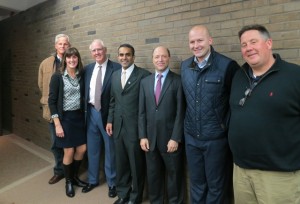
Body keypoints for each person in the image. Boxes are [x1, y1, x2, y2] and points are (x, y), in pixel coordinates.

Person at [228, 24, 300, 204]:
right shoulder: (239, 76)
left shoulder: (294, 76)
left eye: (253, 42)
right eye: (244, 45)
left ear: (268, 43)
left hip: (278, 176)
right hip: (241, 172)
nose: (248, 48)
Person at [181, 25, 239, 204]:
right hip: (192, 138)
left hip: (216, 140)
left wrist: (224, 127)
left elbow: (235, 104)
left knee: (216, 186)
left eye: (200, 40)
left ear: (210, 40)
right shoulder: (185, 66)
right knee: (197, 184)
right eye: (192, 41)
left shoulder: (227, 66)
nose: (196, 45)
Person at [139, 46, 185, 204]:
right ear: (152, 59)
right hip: (150, 140)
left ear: (169, 58)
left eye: (163, 56)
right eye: (157, 57)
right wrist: (142, 136)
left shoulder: (178, 81)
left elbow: (181, 112)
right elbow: (142, 112)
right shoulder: (145, 82)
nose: (160, 59)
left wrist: (176, 138)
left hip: (170, 141)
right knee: (153, 177)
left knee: (174, 177)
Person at [106, 44, 150, 204]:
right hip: (118, 127)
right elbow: (112, 101)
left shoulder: (144, 76)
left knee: (136, 165)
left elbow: (147, 106)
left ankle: (135, 197)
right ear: (118, 56)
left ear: (133, 57)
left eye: (127, 55)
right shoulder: (115, 75)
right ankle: (123, 194)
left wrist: (144, 131)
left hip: (134, 130)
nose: (124, 57)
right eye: (121, 55)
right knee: (121, 163)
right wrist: (110, 120)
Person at [83, 39, 121, 198]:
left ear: (105, 50)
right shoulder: (87, 69)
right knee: (92, 149)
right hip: (91, 112)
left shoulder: (116, 68)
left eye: (99, 50)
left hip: (108, 115)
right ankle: (93, 180)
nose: (97, 53)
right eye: (94, 51)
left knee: (110, 150)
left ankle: (112, 183)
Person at [48, 47, 86, 197]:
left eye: (74, 57)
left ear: (78, 59)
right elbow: (51, 101)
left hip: (78, 118)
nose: (72, 60)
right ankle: (68, 181)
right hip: (65, 119)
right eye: (69, 58)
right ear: (65, 60)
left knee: (82, 149)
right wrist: (57, 124)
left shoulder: (80, 75)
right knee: (69, 150)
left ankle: (75, 176)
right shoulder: (57, 77)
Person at [38, 34, 70, 185]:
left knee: (70, 143)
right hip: (52, 110)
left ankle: (70, 171)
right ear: (55, 46)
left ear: (68, 46)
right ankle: (59, 171)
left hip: (69, 111)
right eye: (60, 44)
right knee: (55, 143)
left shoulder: (73, 61)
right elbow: (41, 84)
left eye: (65, 44)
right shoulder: (45, 63)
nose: (63, 46)